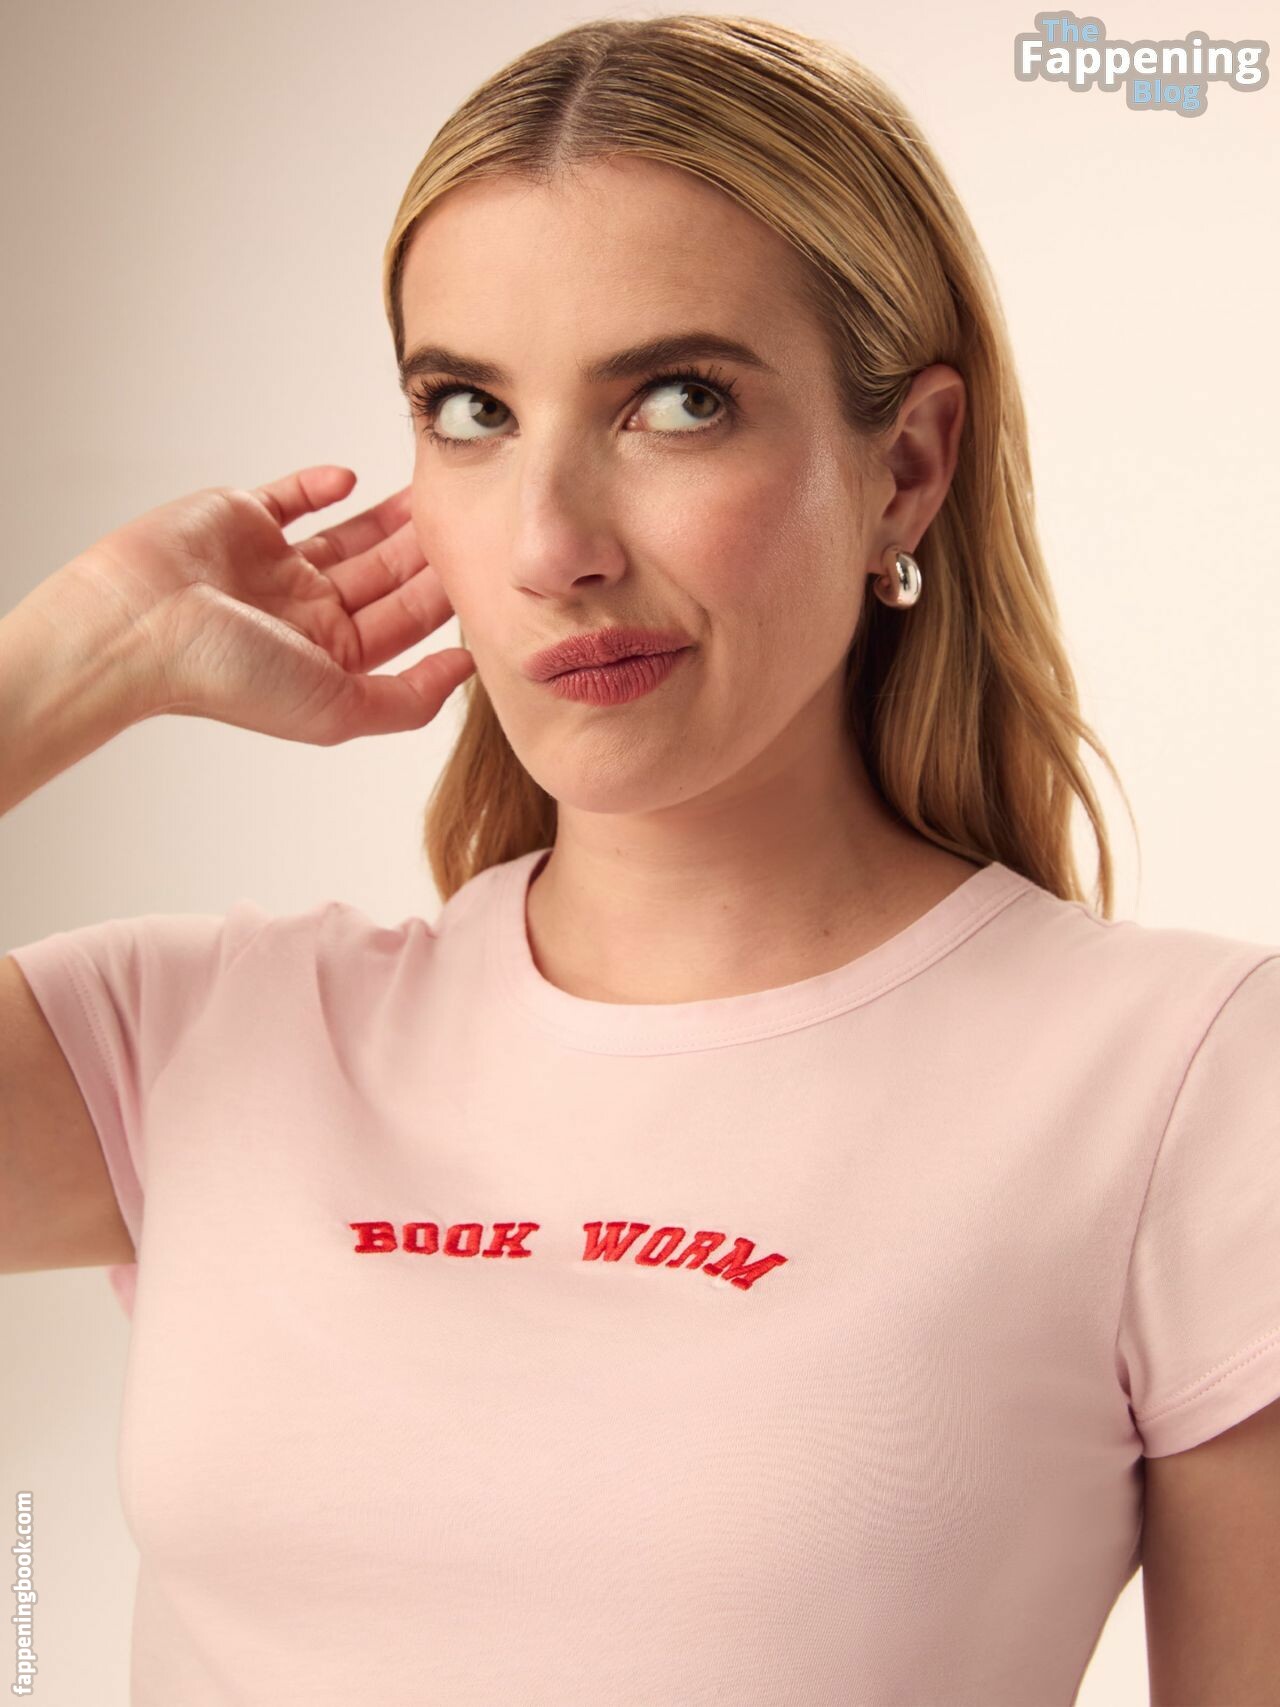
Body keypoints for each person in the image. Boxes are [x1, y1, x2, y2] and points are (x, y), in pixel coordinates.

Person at [2, 13, 1278, 1706]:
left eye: (678, 403)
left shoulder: (1186, 1083)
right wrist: (69, 661)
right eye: (470, 410)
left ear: (906, 470)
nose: (550, 546)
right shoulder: (198, 1041)